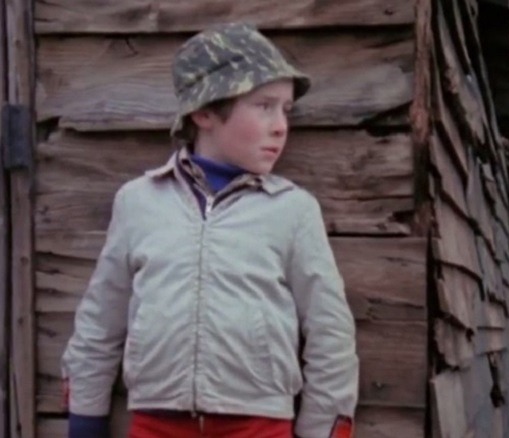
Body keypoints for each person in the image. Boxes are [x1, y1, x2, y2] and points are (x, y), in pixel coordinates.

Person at [61, 22, 359, 438]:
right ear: (204, 112)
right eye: (264, 105)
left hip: (259, 427)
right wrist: (85, 422)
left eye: (286, 110)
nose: (280, 126)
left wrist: (321, 432)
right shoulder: (139, 202)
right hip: (155, 425)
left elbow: (332, 336)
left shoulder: (293, 211)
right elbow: (99, 324)